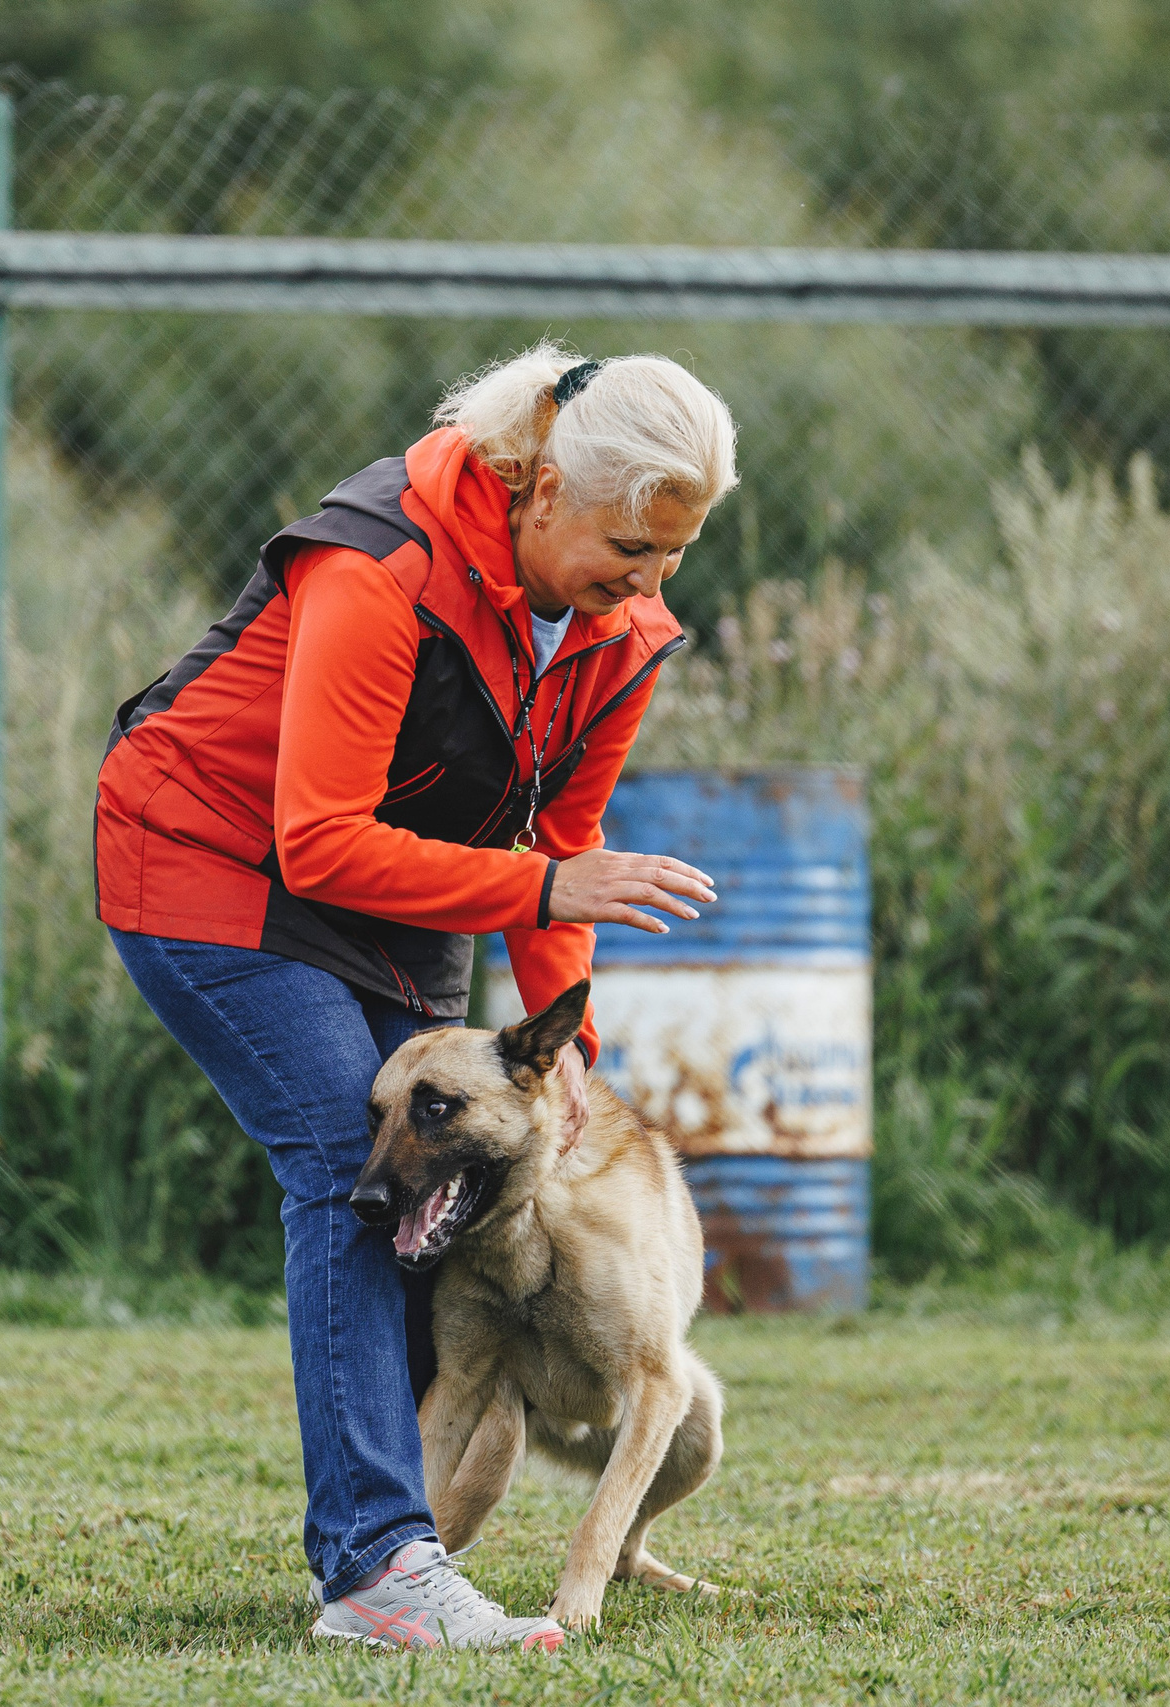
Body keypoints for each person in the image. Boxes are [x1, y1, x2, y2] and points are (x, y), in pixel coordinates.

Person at [95, 341, 737, 1650]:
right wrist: (550, 889)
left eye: (675, 557)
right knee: (364, 1154)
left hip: (406, 890)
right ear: (543, 489)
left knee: (461, 1171)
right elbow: (338, 838)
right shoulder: (381, 565)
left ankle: (408, 1535)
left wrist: (567, 1068)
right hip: (211, 860)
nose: (649, 584)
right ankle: (377, 1570)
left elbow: (556, 843)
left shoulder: (622, 634)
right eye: (630, 547)